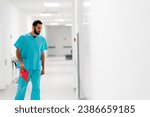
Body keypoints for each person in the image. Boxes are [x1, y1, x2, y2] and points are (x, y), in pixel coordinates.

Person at [14, 20, 48, 100]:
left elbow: (42, 54)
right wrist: (21, 62)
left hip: (36, 68)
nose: (40, 30)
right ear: (33, 27)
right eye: (38, 28)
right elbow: (17, 51)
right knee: (22, 87)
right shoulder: (23, 38)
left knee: (36, 88)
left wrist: (43, 67)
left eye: (41, 28)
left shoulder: (42, 39)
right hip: (25, 68)